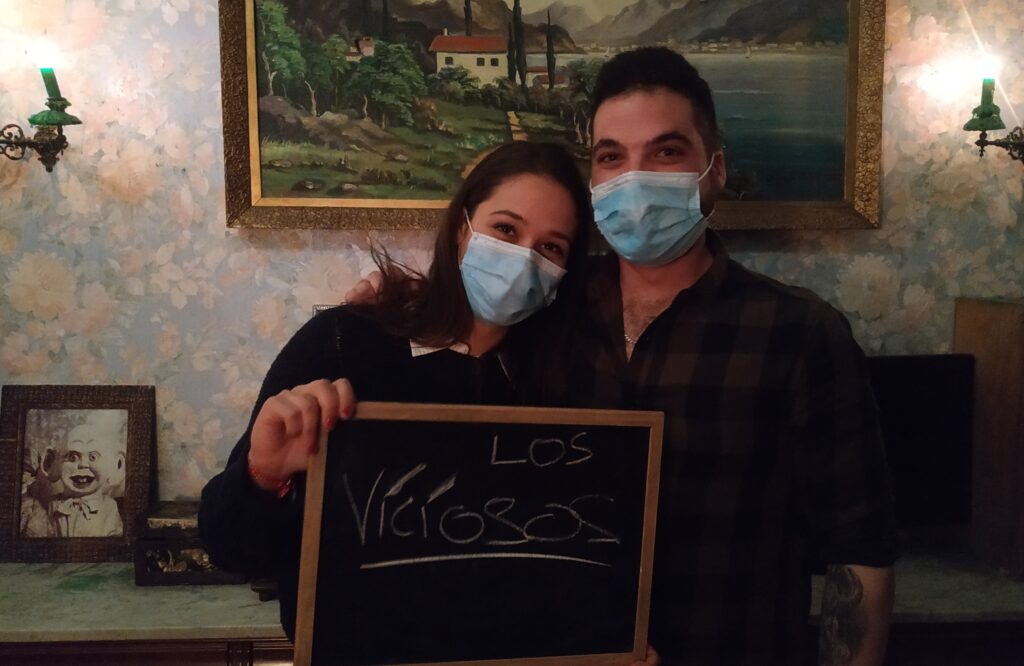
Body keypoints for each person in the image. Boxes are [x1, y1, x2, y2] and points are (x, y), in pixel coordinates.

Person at [562, 47, 898, 665]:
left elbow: (860, 548)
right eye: (611, 157)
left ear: (715, 170)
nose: (634, 179)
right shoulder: (550, 313)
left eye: (666, 152)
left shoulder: (800, 333)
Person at [197, 142, 592, 654]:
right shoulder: (342, 342)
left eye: (551, 248)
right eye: (506, 229)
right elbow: (230, 548)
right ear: (462, 227)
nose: (523, 259)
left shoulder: (568, 383)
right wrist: (262, 477)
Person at [21, 422, 125, 538]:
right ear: (51, 463)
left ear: (116, 466)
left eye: (93, 457)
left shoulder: (109, 506)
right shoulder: (53, 504)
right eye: (73, 457)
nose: (83, 464)